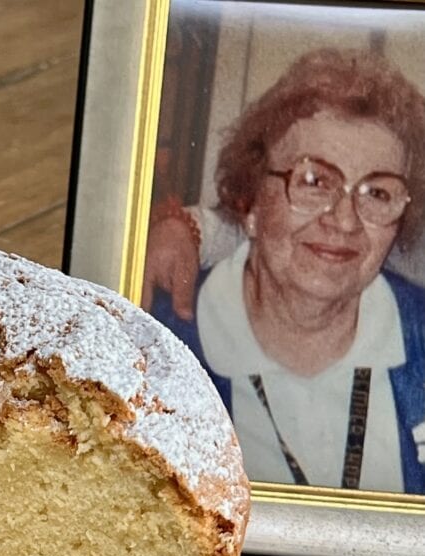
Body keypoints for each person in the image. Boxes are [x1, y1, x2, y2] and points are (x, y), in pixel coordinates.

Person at [145, 48, 425, 494]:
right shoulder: (158, 347)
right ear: (251, 202)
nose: (345, 220)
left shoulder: (420, 332)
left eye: (377, 192)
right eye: (314, 181)